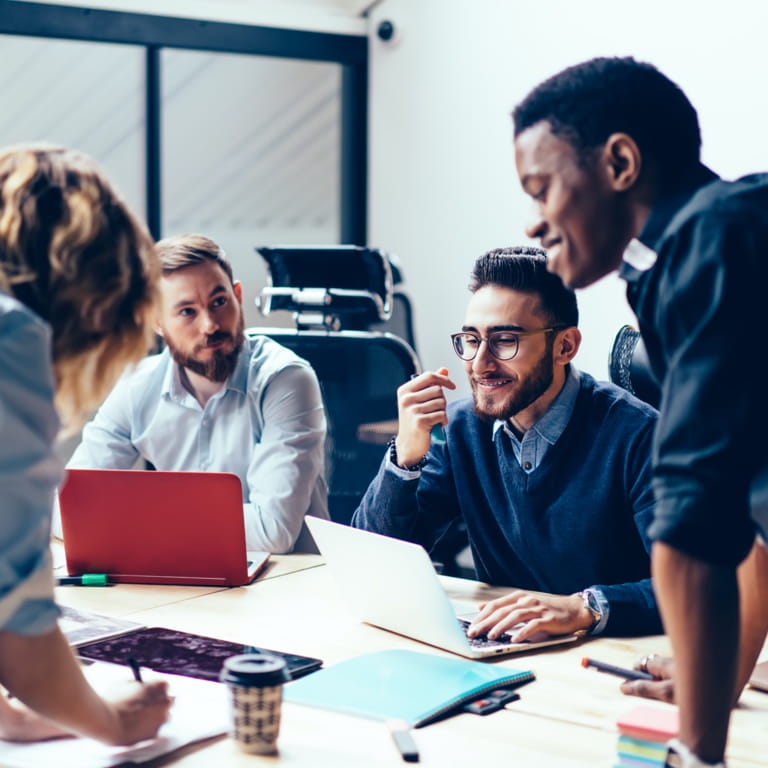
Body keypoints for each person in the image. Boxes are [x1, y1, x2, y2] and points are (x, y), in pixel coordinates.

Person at [513, 56, 768, 768]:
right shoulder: (685, 255)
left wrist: (696, 755)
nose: (535, 224)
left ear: (620, 161)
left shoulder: (712, 243)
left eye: (542, 190)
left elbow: (691, 523)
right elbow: (752, 516)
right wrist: (711, 681)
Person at [352, 247, 662, 640]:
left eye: (504, 340)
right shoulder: (462, 429)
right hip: (504, 647)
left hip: (613, 655)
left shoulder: (640, 437)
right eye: (470, 339)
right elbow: (375, 565)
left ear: (565, 346)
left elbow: (697, 586)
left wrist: (584, 607)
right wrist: (406, 458)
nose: (480, 363)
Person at [0, 144, 172, 742]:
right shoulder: (11, 337)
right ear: (97, 301)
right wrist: (113, 722)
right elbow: (18, 633)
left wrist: (17, 718)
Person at [63, 233, 328, 553]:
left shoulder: (285, 379)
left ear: (238, 295)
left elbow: (273, 531)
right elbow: (67, 509)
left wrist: (137, 516)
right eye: (187, 311)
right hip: (181, 578)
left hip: (284, 583)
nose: (210, 325)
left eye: (219, 302)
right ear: (157, 322)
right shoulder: (137, 388)